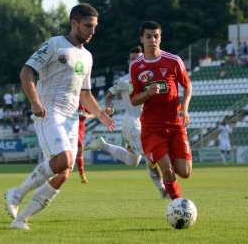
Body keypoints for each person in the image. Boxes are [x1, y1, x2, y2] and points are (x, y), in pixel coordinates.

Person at [4, 3, 115, 230]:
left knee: (63, 174)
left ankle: (20, 220)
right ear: (74, 23)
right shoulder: (55, 44)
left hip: (71, 119)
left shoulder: (88, 56)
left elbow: (85, 95)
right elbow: (26, 71)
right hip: (49, 113)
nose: (92, 32)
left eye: (94, 27)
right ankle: (17, 192)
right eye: (87, 26)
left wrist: (100, 113)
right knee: (64, 160)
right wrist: (34, 101)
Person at [84, 46, 167, 199]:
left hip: (147, 123)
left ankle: (103, 145)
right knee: (151, 155)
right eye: (133, 59)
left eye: (139, 58)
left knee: (132, 161)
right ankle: (163, 190)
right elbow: (108, 96)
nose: (136, 61)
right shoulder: (124, 81)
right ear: (129, 62)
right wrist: (108, 107)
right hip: (132, 123)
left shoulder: (149, 76)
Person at [129, 21, 193, 200]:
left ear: (160, 38)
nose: (152, 40)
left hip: (175, 124)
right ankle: (177, 206)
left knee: (185, 172)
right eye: (148, 36)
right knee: (168, 170)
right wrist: (147, 94)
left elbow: (188, 86)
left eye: (156, 36)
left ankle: (158, 157)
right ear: (142, 39)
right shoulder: (135, 67)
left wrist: (185, 109)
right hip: (152, 128)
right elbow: (133, 100)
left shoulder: (173, 61)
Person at [76, 102, 95, 183]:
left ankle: (82, 174)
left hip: (81, 127)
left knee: (79, 151)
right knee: (77, 149)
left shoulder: (84, 99)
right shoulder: (68, 97)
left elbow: (94, 113)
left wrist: (87, 116)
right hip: (69, 126)